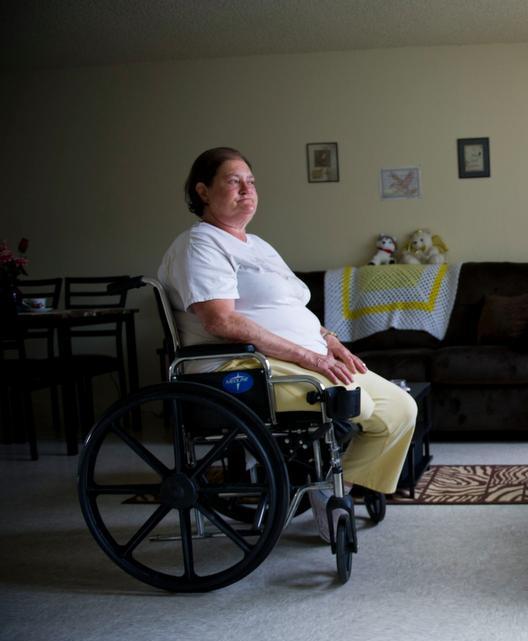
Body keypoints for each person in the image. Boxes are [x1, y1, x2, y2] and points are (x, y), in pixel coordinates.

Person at [158, 146, 417, 542]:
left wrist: (329, 341)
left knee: (400, 409)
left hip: (297, 359)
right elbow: (221, 321)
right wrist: (306, 355)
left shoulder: (257, 245)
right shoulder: (201, 244)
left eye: (251, 182)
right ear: (203, 191)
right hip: (240, 368)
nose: (247, 190)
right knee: (354, 401)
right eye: (233, 181)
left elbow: (291, 307)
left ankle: (334, 489)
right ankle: (327, 490)